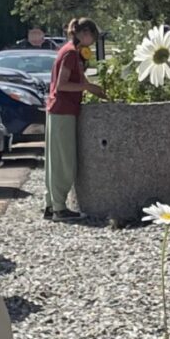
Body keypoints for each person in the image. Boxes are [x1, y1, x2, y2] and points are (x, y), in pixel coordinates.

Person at [44, 17, 98, 221]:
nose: (92, 41)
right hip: (63, 110)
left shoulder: (68, 51)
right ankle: (60, 208)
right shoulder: (70, 53)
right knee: (65, 162)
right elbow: (62, 85)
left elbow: (79, 79)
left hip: (57, 110)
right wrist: (88, 87)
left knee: (54, 161)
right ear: (84, 34)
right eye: (92, 36)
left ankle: (51, 204)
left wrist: (91, 87)